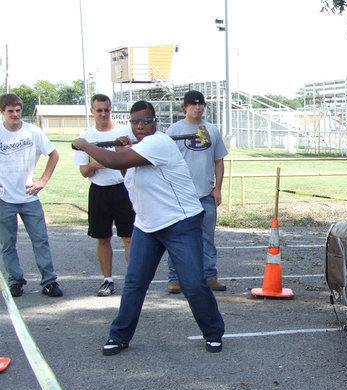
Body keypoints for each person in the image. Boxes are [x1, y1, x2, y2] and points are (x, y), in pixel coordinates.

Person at [72, 100, 225, 355]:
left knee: (192, 283)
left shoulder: (159, 143)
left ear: (155, 123)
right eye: (135, 122)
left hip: (180, 222)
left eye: (146, 121)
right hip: (147, 225)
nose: (140, 126)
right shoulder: (139, 149)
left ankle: (213, 332)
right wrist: (124, 150)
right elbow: (126, 172)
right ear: (131, 124)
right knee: (135, 282)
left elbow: (112, 161)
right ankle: (119, 335)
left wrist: (85, 145)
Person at [0, 93, 62, 298]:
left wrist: (43, 180)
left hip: (29, 196)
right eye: (10, 111)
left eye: (18, 110)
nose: (15, 114)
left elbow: (54, 154)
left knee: (40, 240)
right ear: (2, 112)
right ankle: (15, 281)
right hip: (4, 199)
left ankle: (49, 281)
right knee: (7, 243)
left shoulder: (33, 132)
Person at [165, 90, 228, 293]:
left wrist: (218, 188)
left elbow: (219, 161)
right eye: (193, 104)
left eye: (201, 104)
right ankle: (176, 278)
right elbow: (165, 162)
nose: (197, 107)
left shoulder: (212, 130)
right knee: (177, 238)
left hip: (206, 194)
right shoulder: (174, 130)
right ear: (185, 107)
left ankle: (210, 276)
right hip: (180, 195)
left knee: (207, 239)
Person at [74, 94, 134, 296]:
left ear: (111, 110)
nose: (103, 114)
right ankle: (107, 280)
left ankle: (133, 281)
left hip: (123, 189)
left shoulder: (124, 132)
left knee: (129, 237)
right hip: (99, 191)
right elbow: (83, 172)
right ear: (92, 111)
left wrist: (116, 159)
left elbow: (134, 160)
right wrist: (96, 164)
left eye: (106, 110)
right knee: (102, 238)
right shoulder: (85, 138)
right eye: (99, 110)